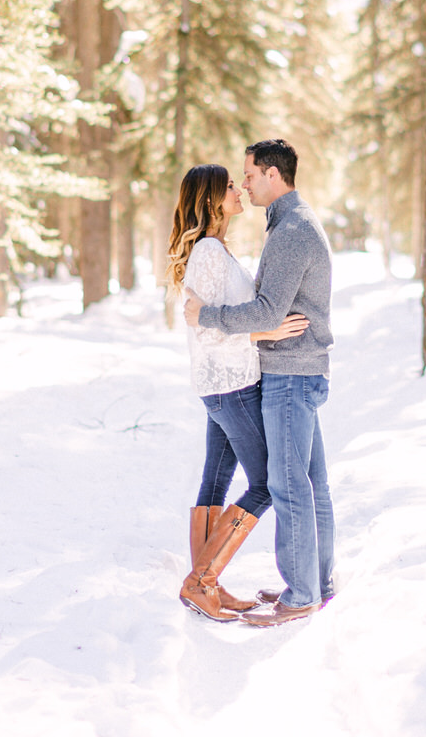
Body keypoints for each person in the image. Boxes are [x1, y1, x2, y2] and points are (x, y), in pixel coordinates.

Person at [184, 138, 335, 627]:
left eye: (246, 175)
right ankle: (308, 583)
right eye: (234, 183)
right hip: (258, 376)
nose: (243, 185)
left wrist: (226, 318)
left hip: (289, 374)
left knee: (288, 486)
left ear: (272, 174)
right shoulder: (279, 228)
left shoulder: (291, 230)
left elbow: (266, 310)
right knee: (300, 484)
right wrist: (256, 328)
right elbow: (254, 313)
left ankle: (302, 592)